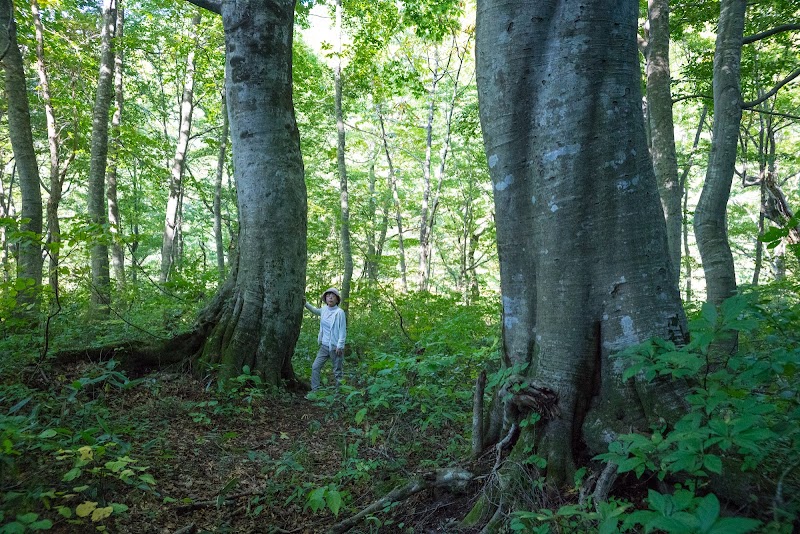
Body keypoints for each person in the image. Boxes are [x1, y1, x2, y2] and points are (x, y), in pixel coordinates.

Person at [303, 287, 347, 391]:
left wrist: (340, 346)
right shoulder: (324, 310)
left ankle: (338, 394)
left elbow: (342, 331)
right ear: (325, 298)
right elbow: (315, 311)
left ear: (337, 299)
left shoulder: (340, 312)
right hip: (324, 346)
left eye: (333, 296)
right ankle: (315, 391)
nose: (330, 297)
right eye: (328, 295)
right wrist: (305, 303)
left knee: (337, 371)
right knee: (315, 367)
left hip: (335, 347)